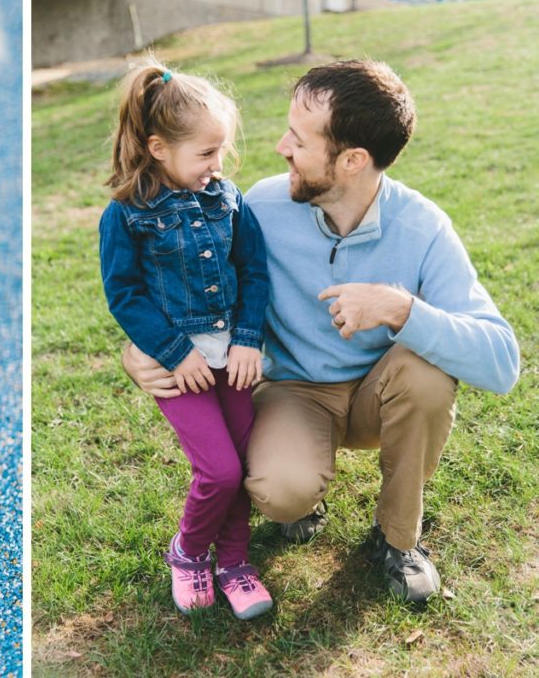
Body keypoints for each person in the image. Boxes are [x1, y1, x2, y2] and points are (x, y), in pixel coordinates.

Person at [122, 59, 520, 604]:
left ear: (352, 160)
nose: (282, 146)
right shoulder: (253, 206)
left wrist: (401, 310)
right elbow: (176, 281)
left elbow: (502, 364)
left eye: (299, 139)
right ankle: (305, 495)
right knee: (280, 492)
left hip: (383, 394)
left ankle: (397, 539)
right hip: (296, 392)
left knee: (428, 374)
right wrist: (140, 350)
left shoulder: (423, 227)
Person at [98, 59, 273, 620]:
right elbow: (125, 295)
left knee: (245, 463)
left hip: (234, 358)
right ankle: (190, 552)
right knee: (218, 470)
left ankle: (236, 562)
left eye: (220, 151)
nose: (217, 164)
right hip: (180, 368)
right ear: (157, 148)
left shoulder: (228, 198)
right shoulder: (127, 216)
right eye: (205, 154)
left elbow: (254, 271)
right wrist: (174, 352)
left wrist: (248, 338)